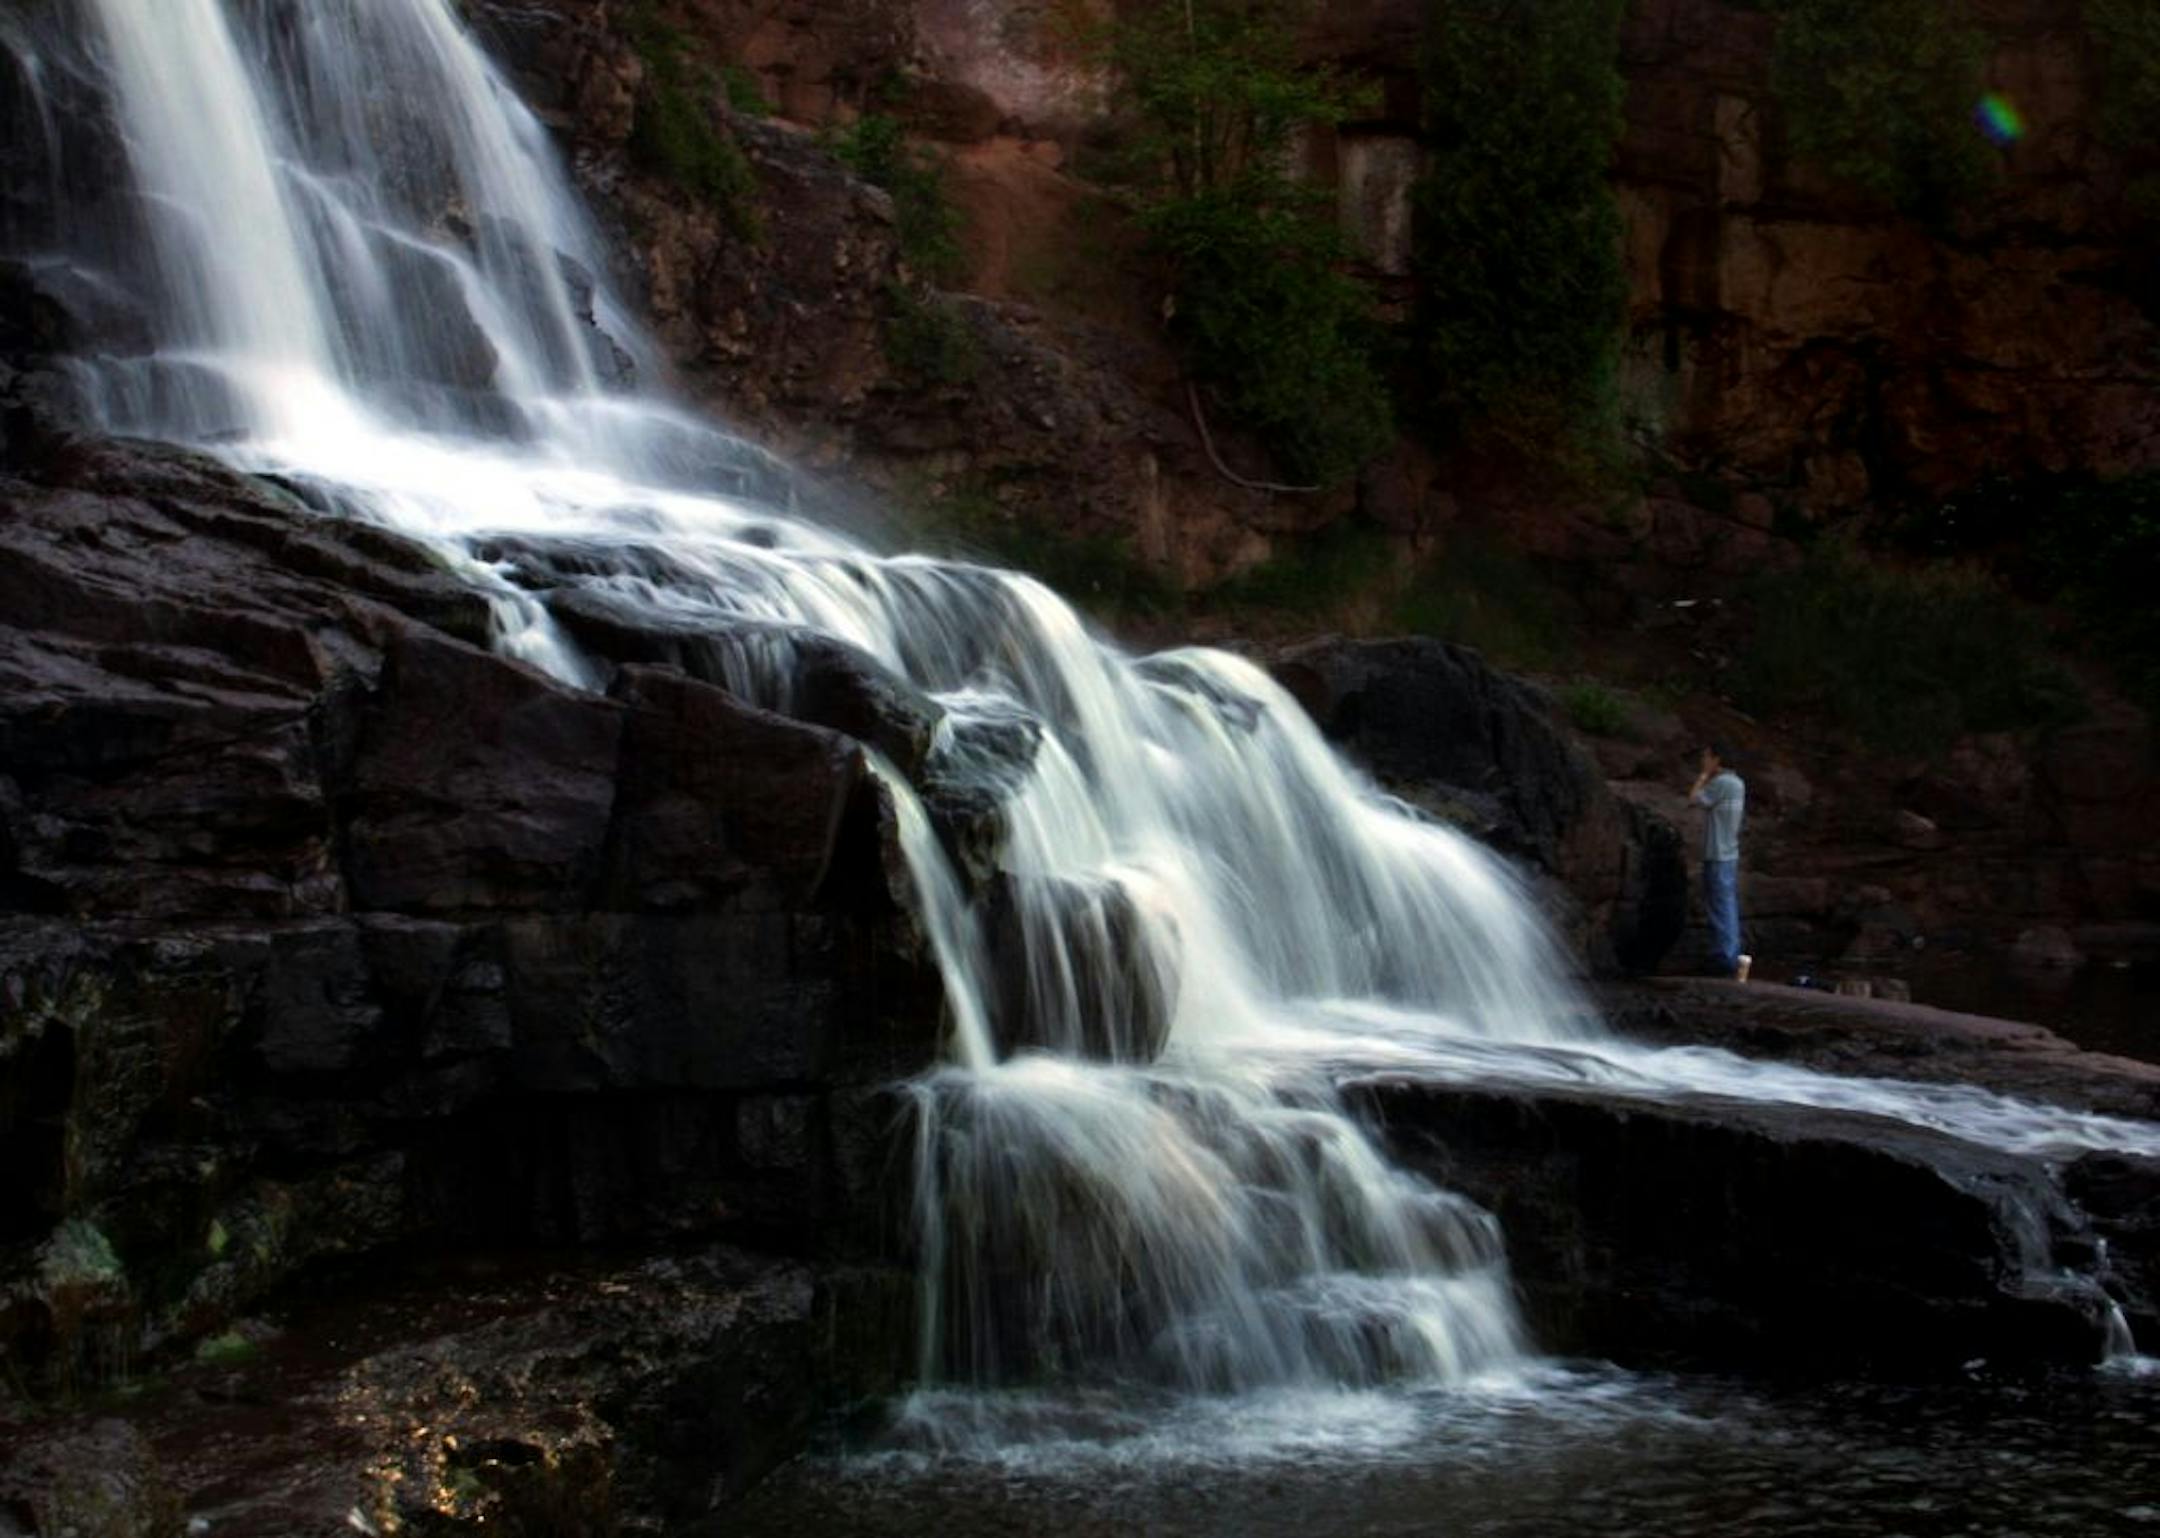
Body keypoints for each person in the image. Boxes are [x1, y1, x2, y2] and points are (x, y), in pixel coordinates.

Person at [1689, 742, 1748, 979]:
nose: (1703, 762)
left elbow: (1694, 798)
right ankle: (1728, 954)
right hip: (1729, 853)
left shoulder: (1722, 783)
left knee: (1720, 906)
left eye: (1706, 757)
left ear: (1717, 759)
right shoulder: (1738, 783)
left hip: (1718, 854)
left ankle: (1724, 957)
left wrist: (1703, 776)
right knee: (1726, 904)